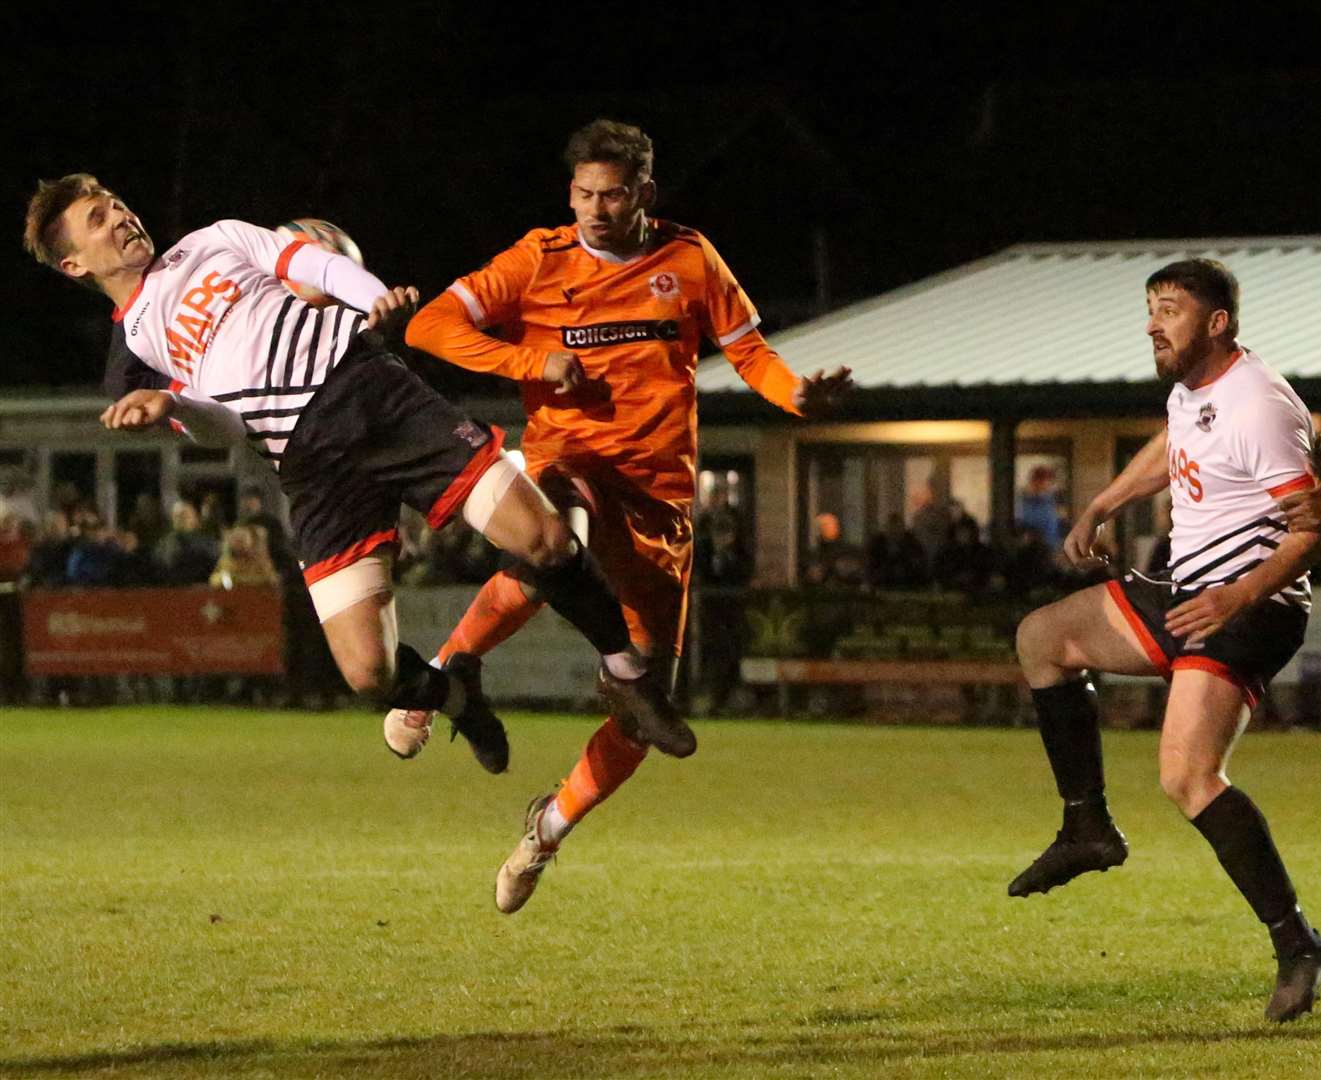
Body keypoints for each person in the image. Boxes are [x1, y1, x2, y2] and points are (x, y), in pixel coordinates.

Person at [22, 173, 681, 771]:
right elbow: (225, 429)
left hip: (367, 390)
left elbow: (310, 263)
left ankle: (626, 674)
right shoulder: (131, 360)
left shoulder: (213, 239)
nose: (121, 218)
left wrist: (373, 301)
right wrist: (172, 404)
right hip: (308, 466)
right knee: (366, 672)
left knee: (544, 539)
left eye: (116, 205)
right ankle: (454, 693)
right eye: (99, 219)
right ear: (75, 262)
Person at [405, 119, 852, 913]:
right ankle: (446, 672)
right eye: (582, 194)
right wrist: (526, 359)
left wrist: (796, 397)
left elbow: (749, 352)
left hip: (661, 495)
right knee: (551, 543)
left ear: (644, 192)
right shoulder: (537, 259)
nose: (595, 209)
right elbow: (428, 324)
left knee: (649, 712)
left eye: (612, 194)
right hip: (569, 459)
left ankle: (548, 826)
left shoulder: (689, 258)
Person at [1008, 259, 1321, 1024]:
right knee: (1041, 639)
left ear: (1217, 322)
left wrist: (1238, 594)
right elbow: (1174, 438)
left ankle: (1299, 946)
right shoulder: (1194, 387)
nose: (1153, 323)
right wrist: (1103, 501)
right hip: (1186, 590)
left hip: (1251, 605)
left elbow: (1313, 526)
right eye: (1149, 308)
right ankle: (1085, 825)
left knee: (1187, 776)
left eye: (1169, 309)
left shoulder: (1258, 404)